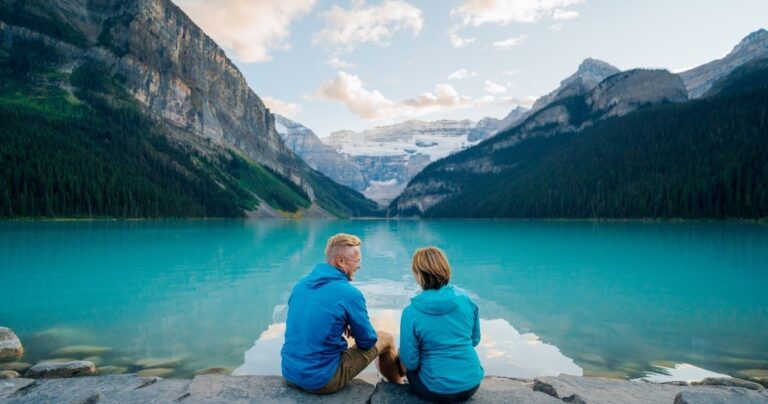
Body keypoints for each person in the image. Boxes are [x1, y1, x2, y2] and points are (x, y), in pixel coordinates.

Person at [281, 233, 403, 394]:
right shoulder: (350, 294)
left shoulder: (301, 285)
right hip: (321, 381)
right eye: (357, 260)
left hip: (290, 373)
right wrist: (355, 329)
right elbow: (367, 342)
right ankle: (399, 387)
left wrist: (343, 323)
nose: (359, 266)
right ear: (340, 261)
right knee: (385, 338)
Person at [399, 247, 484, 403]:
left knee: (402, 351)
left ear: (418, 275)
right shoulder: (467, 299)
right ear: (445, 269)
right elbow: (474, 340)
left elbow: (411, 362)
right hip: (472, 384)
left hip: (435, 390)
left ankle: (397, 386)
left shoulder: (411, 312)